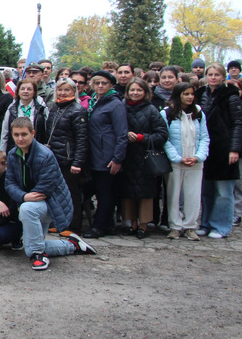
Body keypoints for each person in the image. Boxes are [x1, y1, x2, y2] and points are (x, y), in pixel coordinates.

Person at [5, 117, 96, 270]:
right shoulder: (13, 154)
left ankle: (39, 255)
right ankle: (72, 245)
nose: (20, 138)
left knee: (27, 211)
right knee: (29, 249)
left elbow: (45, 187)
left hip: (53, 204)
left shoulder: (45, 155)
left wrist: (25, 201)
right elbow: (9, 183)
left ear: (33, 133)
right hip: (31, 202)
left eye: (24, 134)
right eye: (16, 135)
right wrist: (23, 197)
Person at [120, 78, 169, 238]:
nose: (135, 93)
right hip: (127, 156)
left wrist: (141, 137)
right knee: (128, 192)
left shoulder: (151, 110)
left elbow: (162, 134)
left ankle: (143, 225)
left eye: (139, 90)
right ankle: (132, 223)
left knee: (145, 193)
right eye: (132, 90)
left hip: (145, 157)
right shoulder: (122, 108)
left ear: (145, 92)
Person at [199, 63, 242, 238]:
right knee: (206, 190)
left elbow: (238, 124)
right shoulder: (199, 95)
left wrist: (234, 149)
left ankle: (221, 226)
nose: (213, 77)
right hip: (206, 148)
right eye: (210, 74)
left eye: (217, 74)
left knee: (224, 192)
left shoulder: (231, 96)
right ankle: (206, 223)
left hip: (224, 149)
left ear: (223, 76)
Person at [83, 71, 128, 238]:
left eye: (104, 83)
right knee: (101, 191)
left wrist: (117, 158)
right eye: (97, 83)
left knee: (104, 193)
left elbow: (122, 133)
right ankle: (108, 225)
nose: (100, 86)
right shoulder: (95, 101)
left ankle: (98, 226)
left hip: (108, 157)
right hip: (95, 155)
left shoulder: (115, 104)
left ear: (111, 85)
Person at [162, 82, 209, 241]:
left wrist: (198, 156)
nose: (189, 97)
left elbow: (204, 138)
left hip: (195, 161)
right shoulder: (167, 113)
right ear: (178, 95)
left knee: (193, 195)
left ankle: (190, 226)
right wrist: (177, 158)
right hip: (176, 161)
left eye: (191, 94)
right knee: (174, 194)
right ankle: (175, 226)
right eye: (186, 94)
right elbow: (165, 139)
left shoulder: (199, 113)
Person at [45, 77, 89, 234]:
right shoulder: (55, 107)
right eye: (60, 89)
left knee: (71, 193)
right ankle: (60, 222)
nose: (63, 93)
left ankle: (73, 224)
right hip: (55, 157)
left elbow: (82, 139)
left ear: (74, 91)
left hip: (69, 159)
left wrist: (77, 162)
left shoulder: (77, 110)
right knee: (58, 193)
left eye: (67, 90)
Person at [0, 78, 47, 152]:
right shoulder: (11, 109)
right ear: (18, 91)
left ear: (34, 92)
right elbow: (5, 132)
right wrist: (2, 152)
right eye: (22, 89)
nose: (25, 91)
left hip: (36, 149)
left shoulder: (41, 109)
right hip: (15, 149)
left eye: (29, 89)